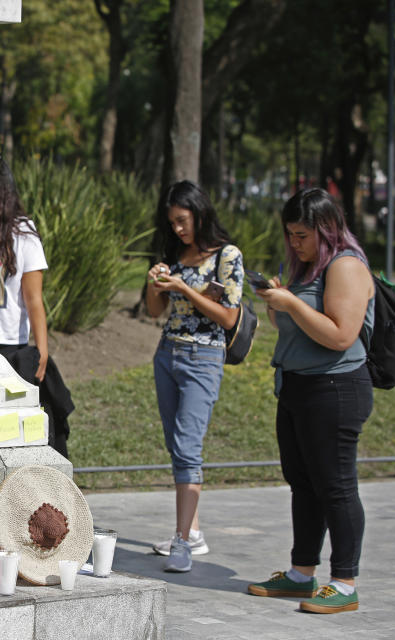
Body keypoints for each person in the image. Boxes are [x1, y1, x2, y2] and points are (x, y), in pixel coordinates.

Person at [248, 189, 374, 614]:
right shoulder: (305, 267)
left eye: (302, 234)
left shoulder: (346, 265)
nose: (294, 242)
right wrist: (279, 301)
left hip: (335, 388)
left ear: (326, 229)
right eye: (289, 234)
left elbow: (340, 335)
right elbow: (294, 327)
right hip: (298, 386)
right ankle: (302, 573)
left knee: (335, 485)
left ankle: (344, 580)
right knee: (303, 483)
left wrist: (291, 304)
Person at [145, 180, 244, 572]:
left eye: (183, 220)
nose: (178, 229)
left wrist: (184, 286)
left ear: (200, 213)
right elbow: (155, 310)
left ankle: (183, 542)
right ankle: (193, 532)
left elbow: (228, 316)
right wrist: (156, 283)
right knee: (176, 445)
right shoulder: (176, 254)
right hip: (167, 353)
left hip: (204, 357)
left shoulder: (226, 256)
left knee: (188, 448)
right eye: (172, 223)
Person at [0, 151, 73, 457]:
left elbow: (33, 298)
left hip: (7, 349)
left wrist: (42, 349)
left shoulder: (22, 233)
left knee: (8, 434)